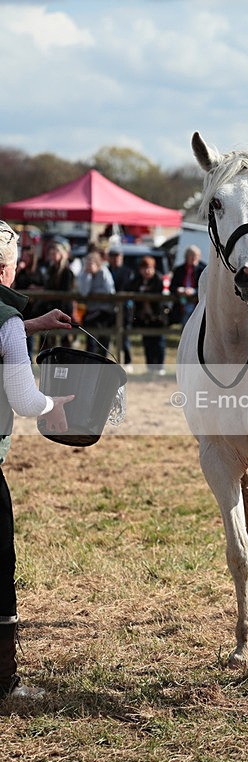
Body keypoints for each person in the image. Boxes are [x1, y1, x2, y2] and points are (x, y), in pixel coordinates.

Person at [0, 221, 74, 701]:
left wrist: (31, 325)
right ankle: (4, 680)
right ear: (5, 266)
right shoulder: (4, 320)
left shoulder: (9, 323)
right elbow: (25, 401)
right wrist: (56, 406)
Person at [126, 256, 167, 376]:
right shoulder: (137, 280)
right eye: (144, 268)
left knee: (159, 342)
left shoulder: (159, 280)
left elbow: (162, 298)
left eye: (149, 268)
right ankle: (149, 367)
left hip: (158, 317)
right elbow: (129, 289)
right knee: (147, 342)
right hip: (143, 317)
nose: (147, 271)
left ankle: (160, 368)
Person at [77, 249, 116, 357]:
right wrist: (88, 276)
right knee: (91, 338)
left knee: (104, 339)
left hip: (104, 311)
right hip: (91, 311)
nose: (88, 265)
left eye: (91, 263)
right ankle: (90, 360)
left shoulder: (104, 272)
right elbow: (84, 292)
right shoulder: (85, 274)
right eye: (87, 263)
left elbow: (109, 291)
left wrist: (94, 293)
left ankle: (104, 360)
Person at [106, 247, 136, 369]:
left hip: (124, 309)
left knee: (124, 338)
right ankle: (105, 361)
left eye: (118, 256)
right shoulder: (105, 270)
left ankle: (127, 361)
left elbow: (129, 289)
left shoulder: (128, 272)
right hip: (108, 308)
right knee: (106, 336)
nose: (116, 259)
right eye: (113, 256)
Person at [169, 245, 206, 326]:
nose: (194, 258)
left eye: (196, 256)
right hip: (182, 305)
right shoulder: (179, 270)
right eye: (191, 256)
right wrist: (178, 290)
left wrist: (194, 291)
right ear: (186, 257)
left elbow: (206, 288)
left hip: (198, 305)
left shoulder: (203, 270)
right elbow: (172, 287)